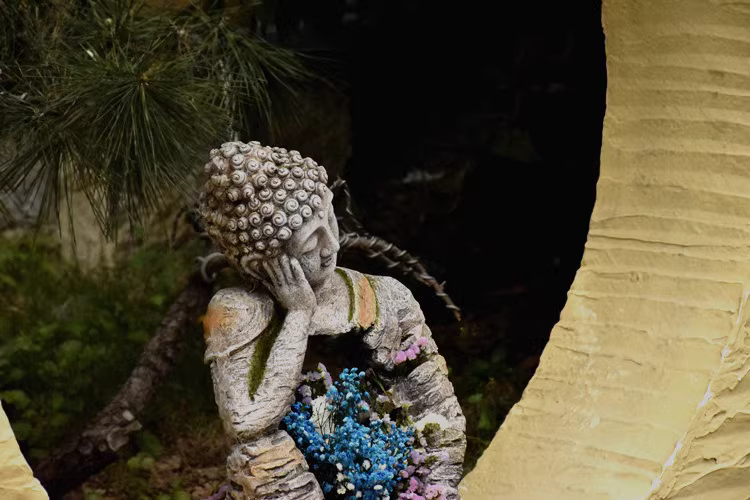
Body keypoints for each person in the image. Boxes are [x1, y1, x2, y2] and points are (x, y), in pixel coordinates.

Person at [199, 141, 465, 499]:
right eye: (310, 245)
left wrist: (430, 484)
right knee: (257, 456)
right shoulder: (237, 311)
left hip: (384, 469)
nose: (331, 247)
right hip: (295, 481)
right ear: (260, 265)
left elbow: (435, 405)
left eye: (330, 220)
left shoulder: (385, 297)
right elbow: (248, 425)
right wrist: (298, 313)